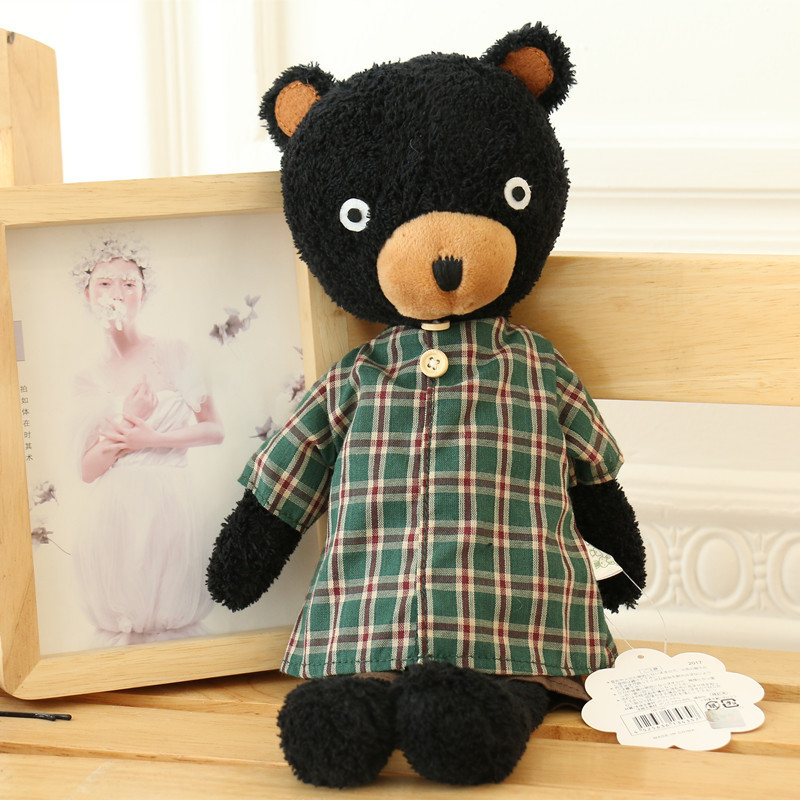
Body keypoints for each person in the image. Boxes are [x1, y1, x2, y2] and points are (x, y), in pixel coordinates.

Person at [71, 235, 224, 646]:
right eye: (105, 283)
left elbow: (214, 430)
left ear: (144, 293)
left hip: (170, 501)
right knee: (120, 623)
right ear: (87, 293)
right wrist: (130, 421)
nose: (116, 294)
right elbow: (87, 469)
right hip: (115, 512)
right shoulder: (87, 374)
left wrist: (154, 437)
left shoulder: (173, 352)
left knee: (173, 620)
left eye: (129, 284)